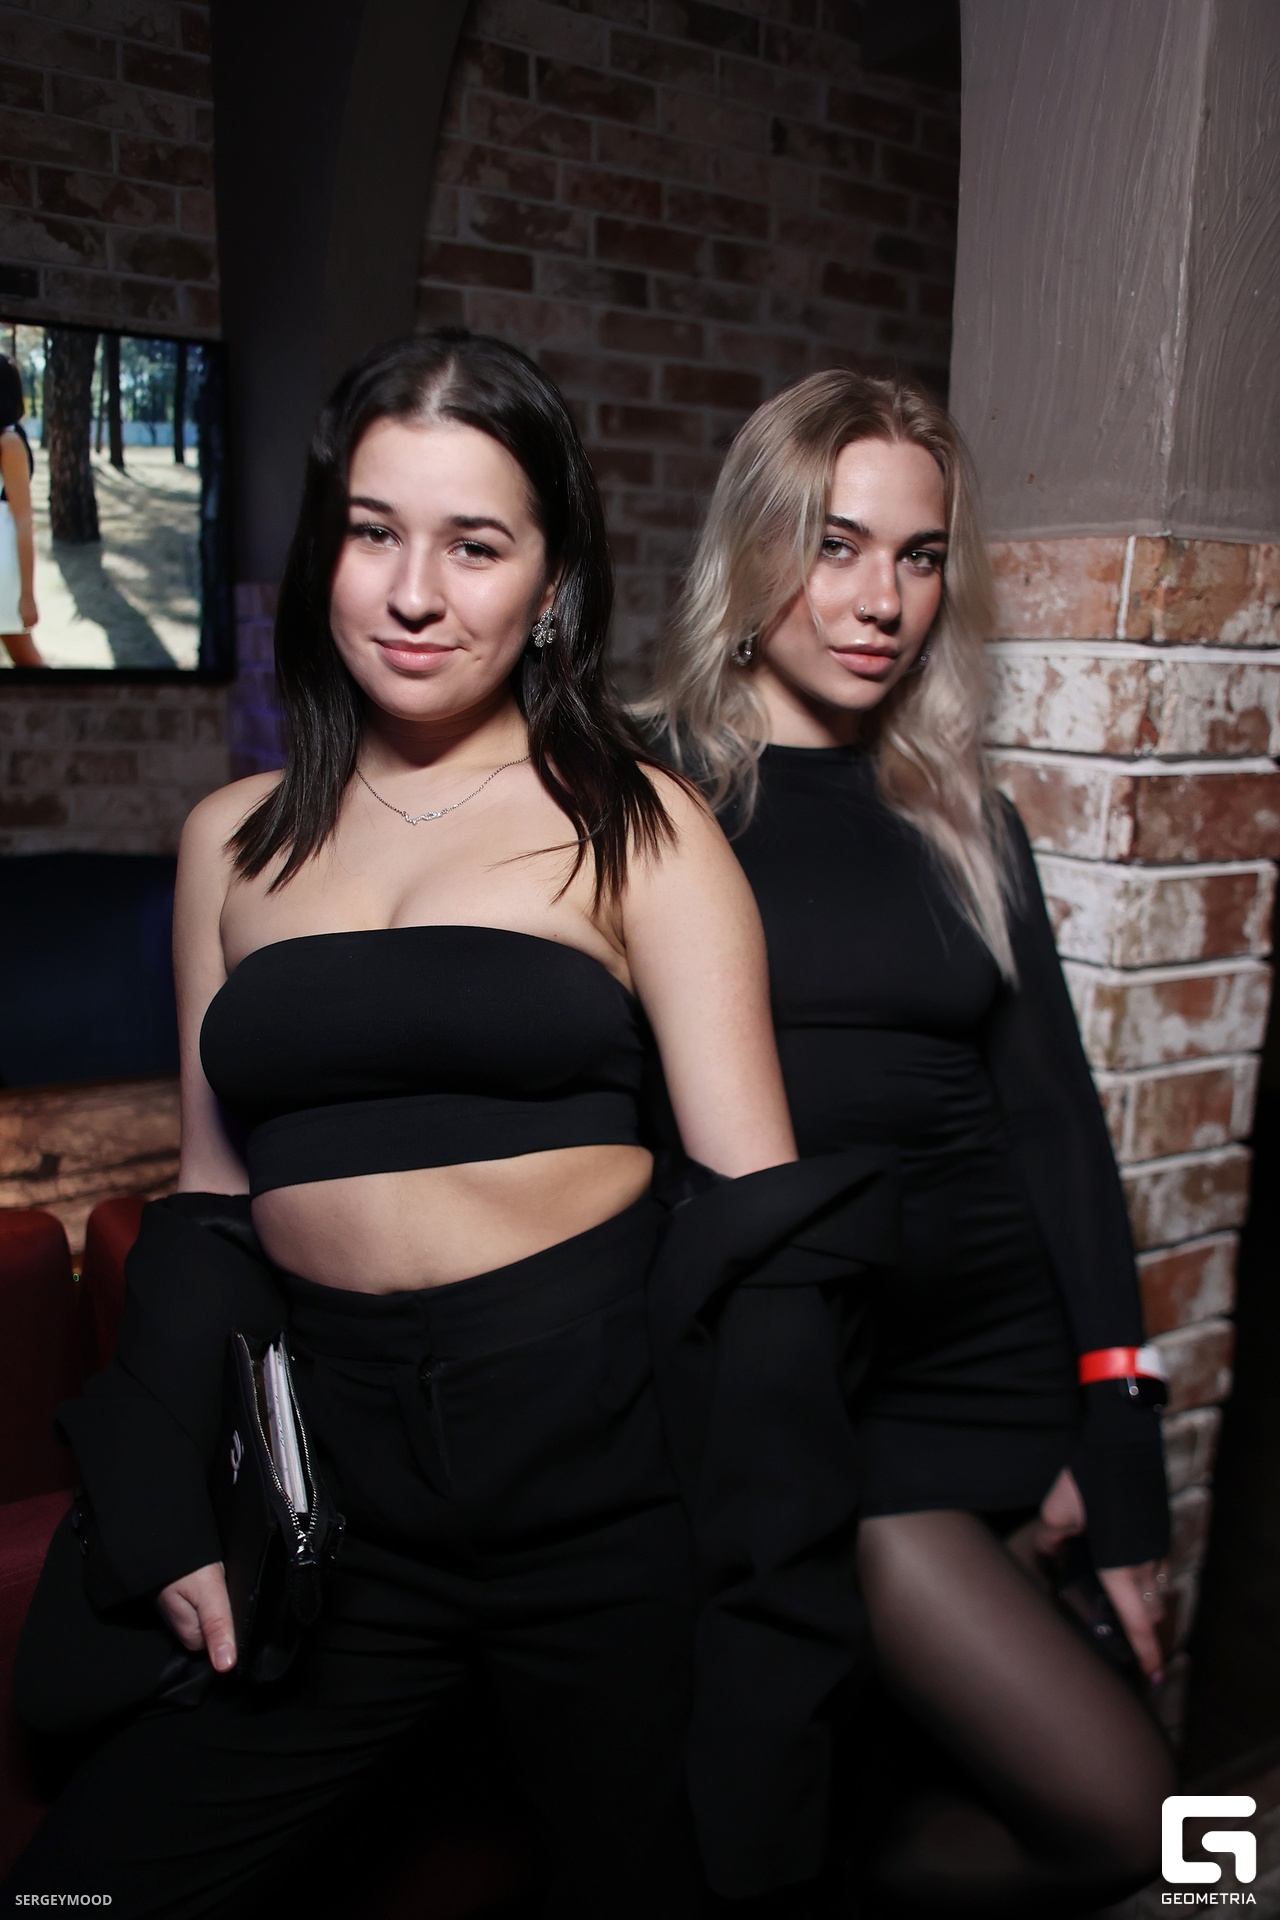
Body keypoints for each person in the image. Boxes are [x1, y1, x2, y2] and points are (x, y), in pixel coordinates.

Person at [7, 333, 894, 1917]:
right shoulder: (230, 842)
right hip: (343, 1510)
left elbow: (763, 1240)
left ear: (551, 583)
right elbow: (210, 1208)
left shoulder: (642, 826)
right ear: (326, 552)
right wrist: (162, 1502)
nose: (413, 593)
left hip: (604, 1494)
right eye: (375, 532)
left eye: (475, 545)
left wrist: (774, 1618)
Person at [651, 369, 1177, 1915]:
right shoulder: (649, 798)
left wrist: (1116, 1454)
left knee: (1078, 1819)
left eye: (920, 556)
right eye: (836, 544)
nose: (881, 601)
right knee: (1155, 1826)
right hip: (827, 1415)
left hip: (1001, 1375)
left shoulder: (960, 814)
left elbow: (1057, 1131)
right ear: (753, 546)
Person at [0, 352, 44, 666]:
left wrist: (28, 594)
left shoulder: (9, 442)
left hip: (2, 566)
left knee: (25, 658)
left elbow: (25, 521)